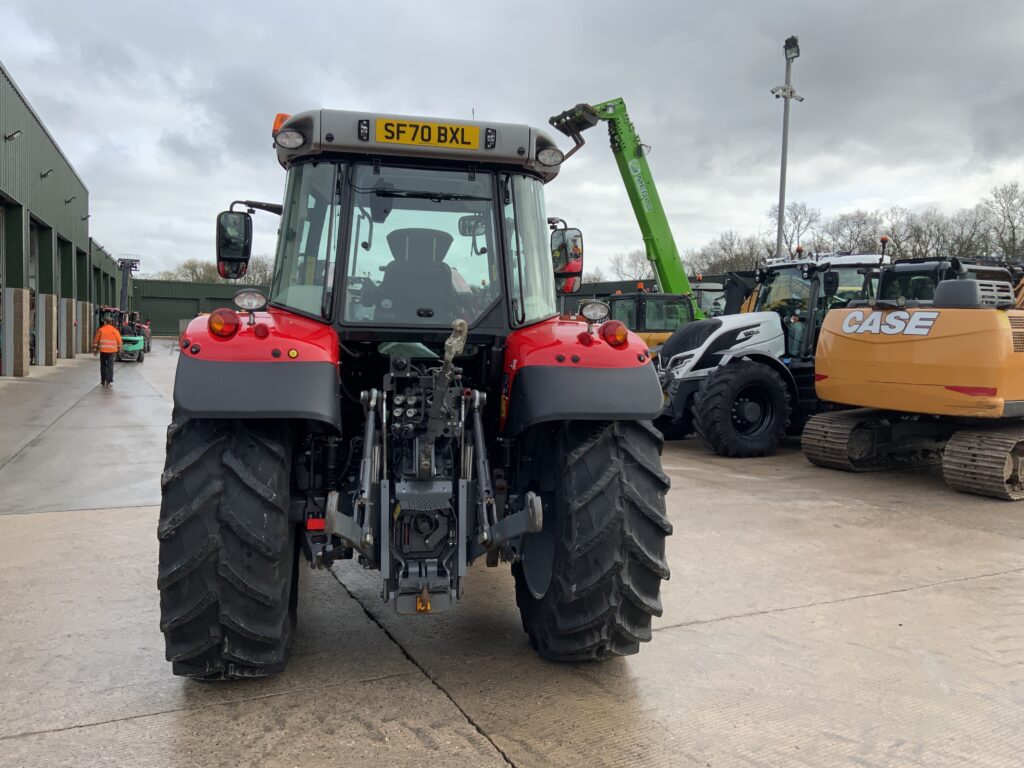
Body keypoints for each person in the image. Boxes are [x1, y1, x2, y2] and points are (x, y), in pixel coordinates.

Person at [92, 316, 123, 388]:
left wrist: (95, 350)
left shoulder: (101, 330)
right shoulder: (115, 330)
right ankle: (108, 382)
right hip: (112, 352)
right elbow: (119, 341)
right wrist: (120, 350)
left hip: (103, 351)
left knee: (103, 366)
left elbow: (96, 341)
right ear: (111, 322)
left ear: (105, 322)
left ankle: (103, 380)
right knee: (110, 367)